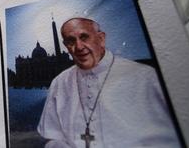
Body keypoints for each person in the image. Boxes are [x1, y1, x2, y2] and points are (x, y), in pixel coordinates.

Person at [37, 18, 180, 148]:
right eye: (71, 41)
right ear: (66, 46)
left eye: (84, 37)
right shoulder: (59, 83)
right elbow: (53, 139)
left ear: (101, 39)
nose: (79, 47)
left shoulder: (146, 76)